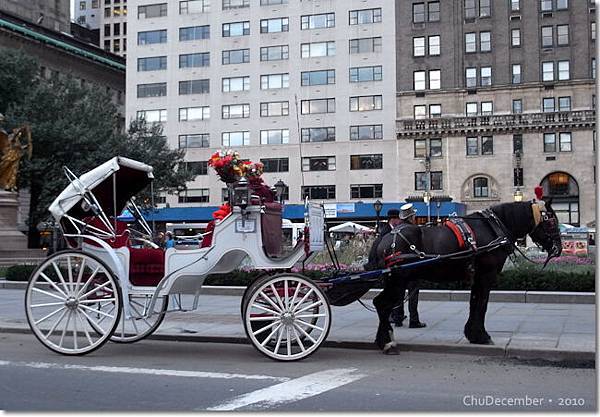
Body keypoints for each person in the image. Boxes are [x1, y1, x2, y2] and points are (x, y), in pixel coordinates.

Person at [390, 203, 426, 329]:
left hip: (397, 267)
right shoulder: (414, 229)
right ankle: (414, 320)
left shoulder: (396, 230)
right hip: (411, 268)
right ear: (411, 217)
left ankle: (398, 318)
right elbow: (420, 249)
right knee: (413, 293)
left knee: (399, 292)